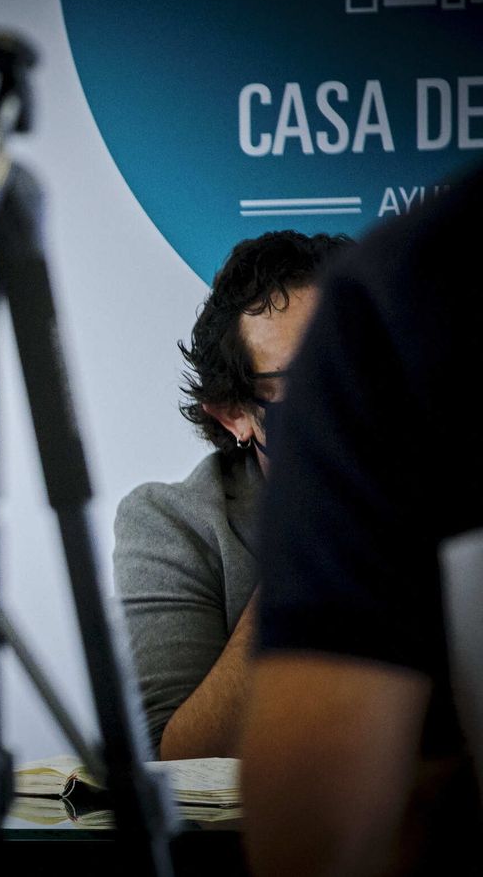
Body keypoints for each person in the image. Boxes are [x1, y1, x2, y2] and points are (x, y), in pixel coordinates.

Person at [241, 167, 483, 875]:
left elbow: (321, 833)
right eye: (287, 388)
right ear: (233, 414)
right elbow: (173, 749)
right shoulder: (405, 301)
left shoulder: (413, 291)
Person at [113, 231, 351, 759]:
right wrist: (314, 551)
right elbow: (174, 758)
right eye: (307, 375)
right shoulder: (173, 522)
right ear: (234, 413)